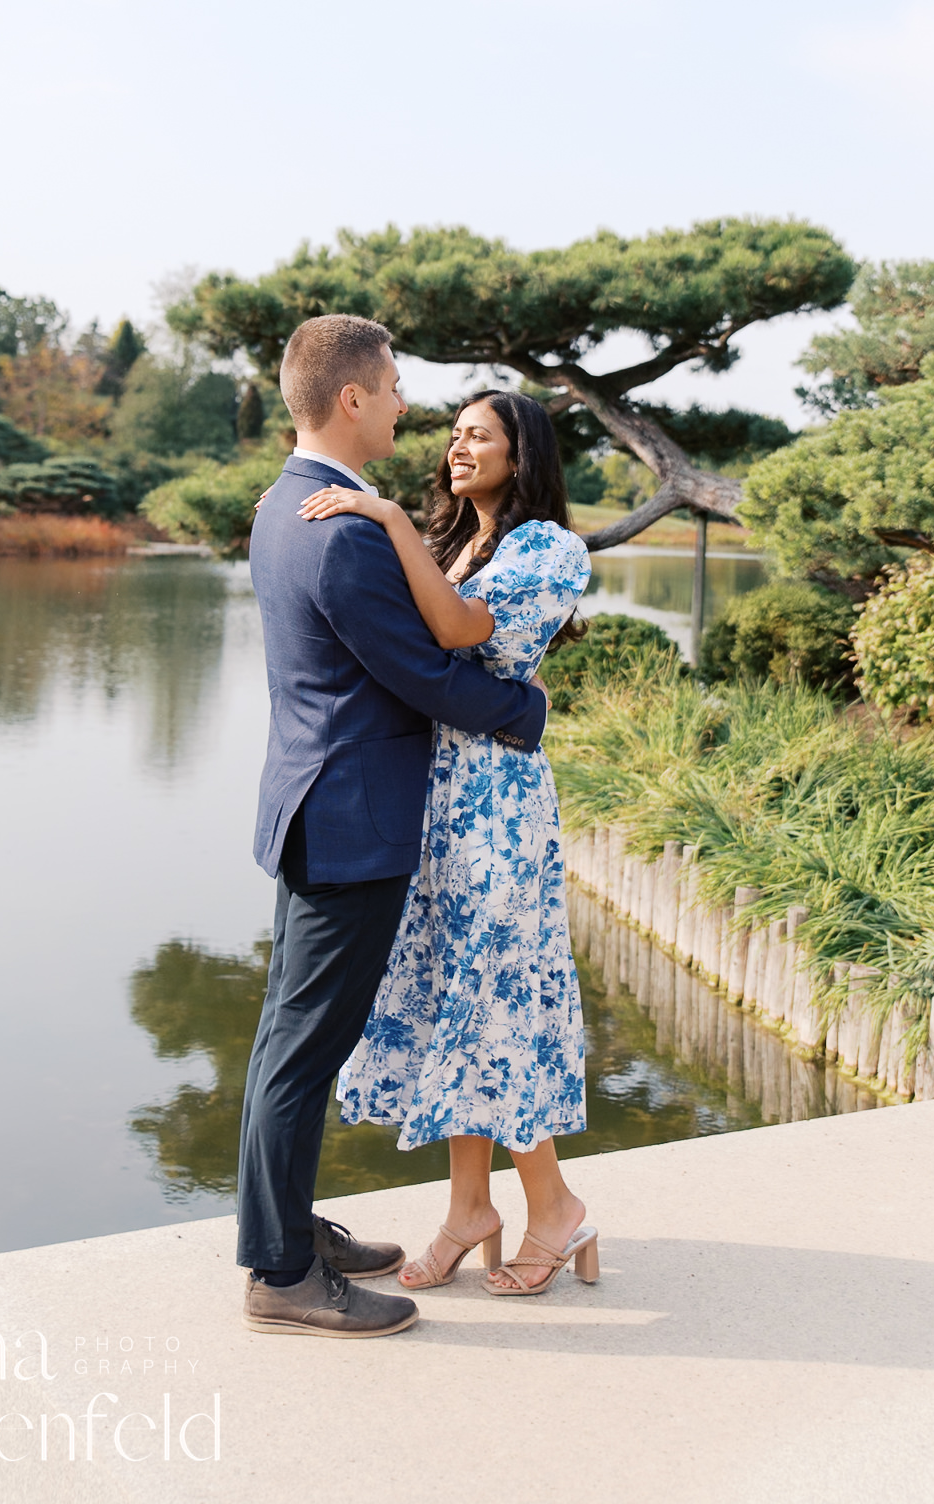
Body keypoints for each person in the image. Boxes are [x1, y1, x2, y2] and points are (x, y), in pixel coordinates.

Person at [238, 316, 551, 1340]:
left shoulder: (283, 508)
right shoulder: (336, 528)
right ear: (352, 399)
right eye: (394, 387)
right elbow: (420, 671)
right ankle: (283, 1269)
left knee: (288, 1039)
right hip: (352, 819)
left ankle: (287, 1229)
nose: (407, 407)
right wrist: (524, 710)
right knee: (301, 1050)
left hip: (309, 804)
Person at [301, 387, 598, 1300]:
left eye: (479, 435)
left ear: (522, 452)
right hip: (434, 800)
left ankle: (554, 1211)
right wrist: (401, 531)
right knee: (446, 998)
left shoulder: (547, 547)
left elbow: (459, 630)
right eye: (454, 433)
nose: (457, 446)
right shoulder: (449, 542)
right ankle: (469, 1209)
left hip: (497, 805)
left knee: (493, 997)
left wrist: (383, 513)